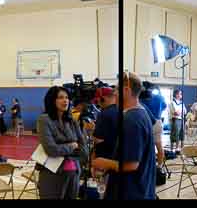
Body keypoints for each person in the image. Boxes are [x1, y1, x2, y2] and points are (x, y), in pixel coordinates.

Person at [91, 72, 161, 200]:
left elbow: (132, 164)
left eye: (117, 90)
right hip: (141, 188)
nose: (115, 94)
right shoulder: (142, 113)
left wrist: (104, 163)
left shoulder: (132, 119)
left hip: (131, 191)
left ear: (127, 90)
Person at [35, 86, 86, 199]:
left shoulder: (71, 120)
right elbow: (51, 149)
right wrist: (72, 146)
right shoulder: (44, 119)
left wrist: (64, 147)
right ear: (52, 100)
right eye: (61, 97)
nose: (65, 100)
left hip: (74, 173)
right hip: (52, 173)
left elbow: (83, 148)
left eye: (67, 97)